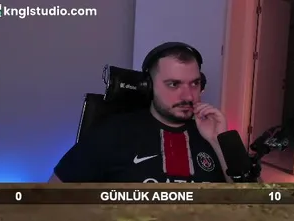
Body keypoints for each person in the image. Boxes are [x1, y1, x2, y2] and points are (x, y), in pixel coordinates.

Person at [51, 42, 231, 183]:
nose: (189, 96)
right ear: (148, 86)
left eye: (194, 83)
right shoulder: (112, 132)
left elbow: (246, 202)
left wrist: (218, 141)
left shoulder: (212, 134)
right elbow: (52, 198)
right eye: (174, 84)